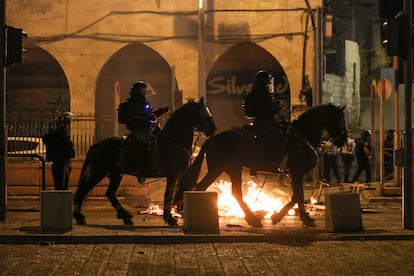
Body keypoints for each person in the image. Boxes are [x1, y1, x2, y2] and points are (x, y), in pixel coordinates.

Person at [118, 81, 168, 179]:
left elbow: (150, 115)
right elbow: (135, 118)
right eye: (143, 90)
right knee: (152, 142)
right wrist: (148, 122)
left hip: (147, 129)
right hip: (138, 130)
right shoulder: (132, 103)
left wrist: (162, 111)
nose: (145, 92)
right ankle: (148, 167)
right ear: (138, 91)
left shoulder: (142, 102)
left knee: (164, 139)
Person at [242, 70, 284, 175]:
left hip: (263, 121)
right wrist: (277, 108)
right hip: (264, 122)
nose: (269, 81)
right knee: (276, 138)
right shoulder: (261, 92)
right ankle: (268, 162)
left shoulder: (259, 91)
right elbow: (266, 109)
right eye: (268, 79)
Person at [42, 112, 76, 190]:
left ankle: (62, 201)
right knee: (60, 186)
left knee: (63, 186)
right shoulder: (57, 135)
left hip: (65, 162)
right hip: (60, 163)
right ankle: (60, 201)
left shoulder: (62, 135)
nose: (68, 126)